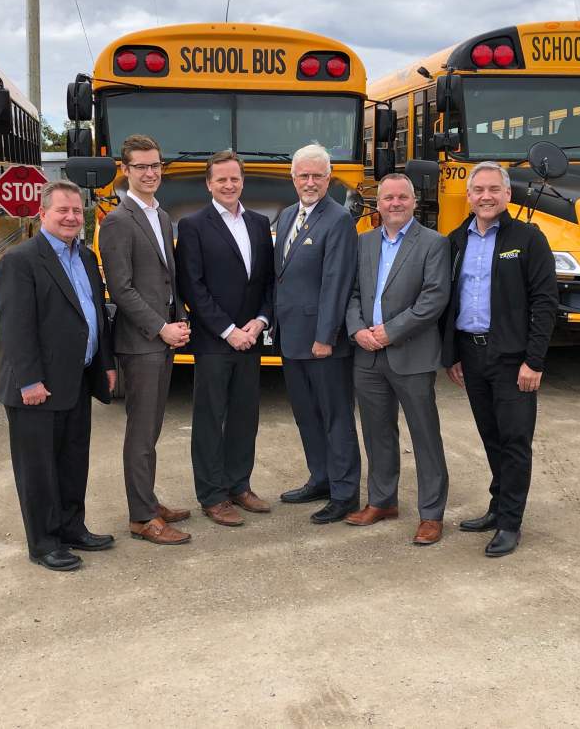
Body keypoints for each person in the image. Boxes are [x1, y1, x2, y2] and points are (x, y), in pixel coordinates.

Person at [0, 180, 117, 571]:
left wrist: (106, 365)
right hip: (37, 388)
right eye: (62, 210)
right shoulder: (22, 260)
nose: (71, 217)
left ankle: (71, 527)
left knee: (72, 460)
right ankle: (44, 542)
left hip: (76, 380)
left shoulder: (84, 257)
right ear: (42, 214)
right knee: (39, 470)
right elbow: (15, 326)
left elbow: (96, 315)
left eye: (77, 211)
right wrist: (29, 380)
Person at [442, 162, 557, 557]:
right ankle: (497, 506)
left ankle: (510, 522)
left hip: (513, 360)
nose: (486, 196)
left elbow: (545, 303)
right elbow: (449, 302)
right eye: (479, 190)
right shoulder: (456, 240)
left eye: (494, 189)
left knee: (514, 440)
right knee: (491, 437)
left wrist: (534, 361)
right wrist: (452, 354)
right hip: (471, 356)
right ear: (469, 196)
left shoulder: (528, 239)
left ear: (508, 195)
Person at [345, 173, 451, 545]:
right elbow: (353, 292)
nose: (394, 203)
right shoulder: (364, 243)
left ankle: (431, 514)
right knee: (376, 434)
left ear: (413, 202)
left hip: (411, 354)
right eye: (388, 197)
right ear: (380, 203)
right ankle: (382, 500)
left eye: (402, 197)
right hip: (367, 355)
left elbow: (434, 298)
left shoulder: (434, 244)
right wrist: (358, 329)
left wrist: (391, 330)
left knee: (425, 436)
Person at [98, 134, 193, 546]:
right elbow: (121, 289)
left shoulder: (162, 215)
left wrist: (181, 318)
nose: (150, 173)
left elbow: (167, 280)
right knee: (140, 433)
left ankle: (148, 501)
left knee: (152, 428)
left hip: (164, 338)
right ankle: (141, 517)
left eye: (155, 165)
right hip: (141, 343)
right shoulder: (118, 221)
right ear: (125, 170)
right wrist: (160, 328)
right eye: (141, 166)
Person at [175, 150, 275, 527]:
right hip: (215, 341)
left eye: (234, 178)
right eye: (221, 179)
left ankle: (239, 485)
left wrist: (260, 321)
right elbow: (193, 287)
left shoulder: (260, 223)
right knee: (209, 418)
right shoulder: (193, 225)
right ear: (209, 184)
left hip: (251, 338)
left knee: (245, 416)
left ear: (242, 181)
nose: (229, 185)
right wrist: (229, 331)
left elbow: (267, 281)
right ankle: (212, 495)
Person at [274, 143, 361, 524]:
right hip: (291, 337)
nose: (310, 182)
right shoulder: (289, 214)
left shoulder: (339, 219)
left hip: (322, 341)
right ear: (293, 179)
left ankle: (345, 492)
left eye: (317, 176)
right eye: (303, 175)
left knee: (335, 416)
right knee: (306, 415)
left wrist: (326, 336)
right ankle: (321, 478)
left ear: (329, 179)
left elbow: (336, 281)